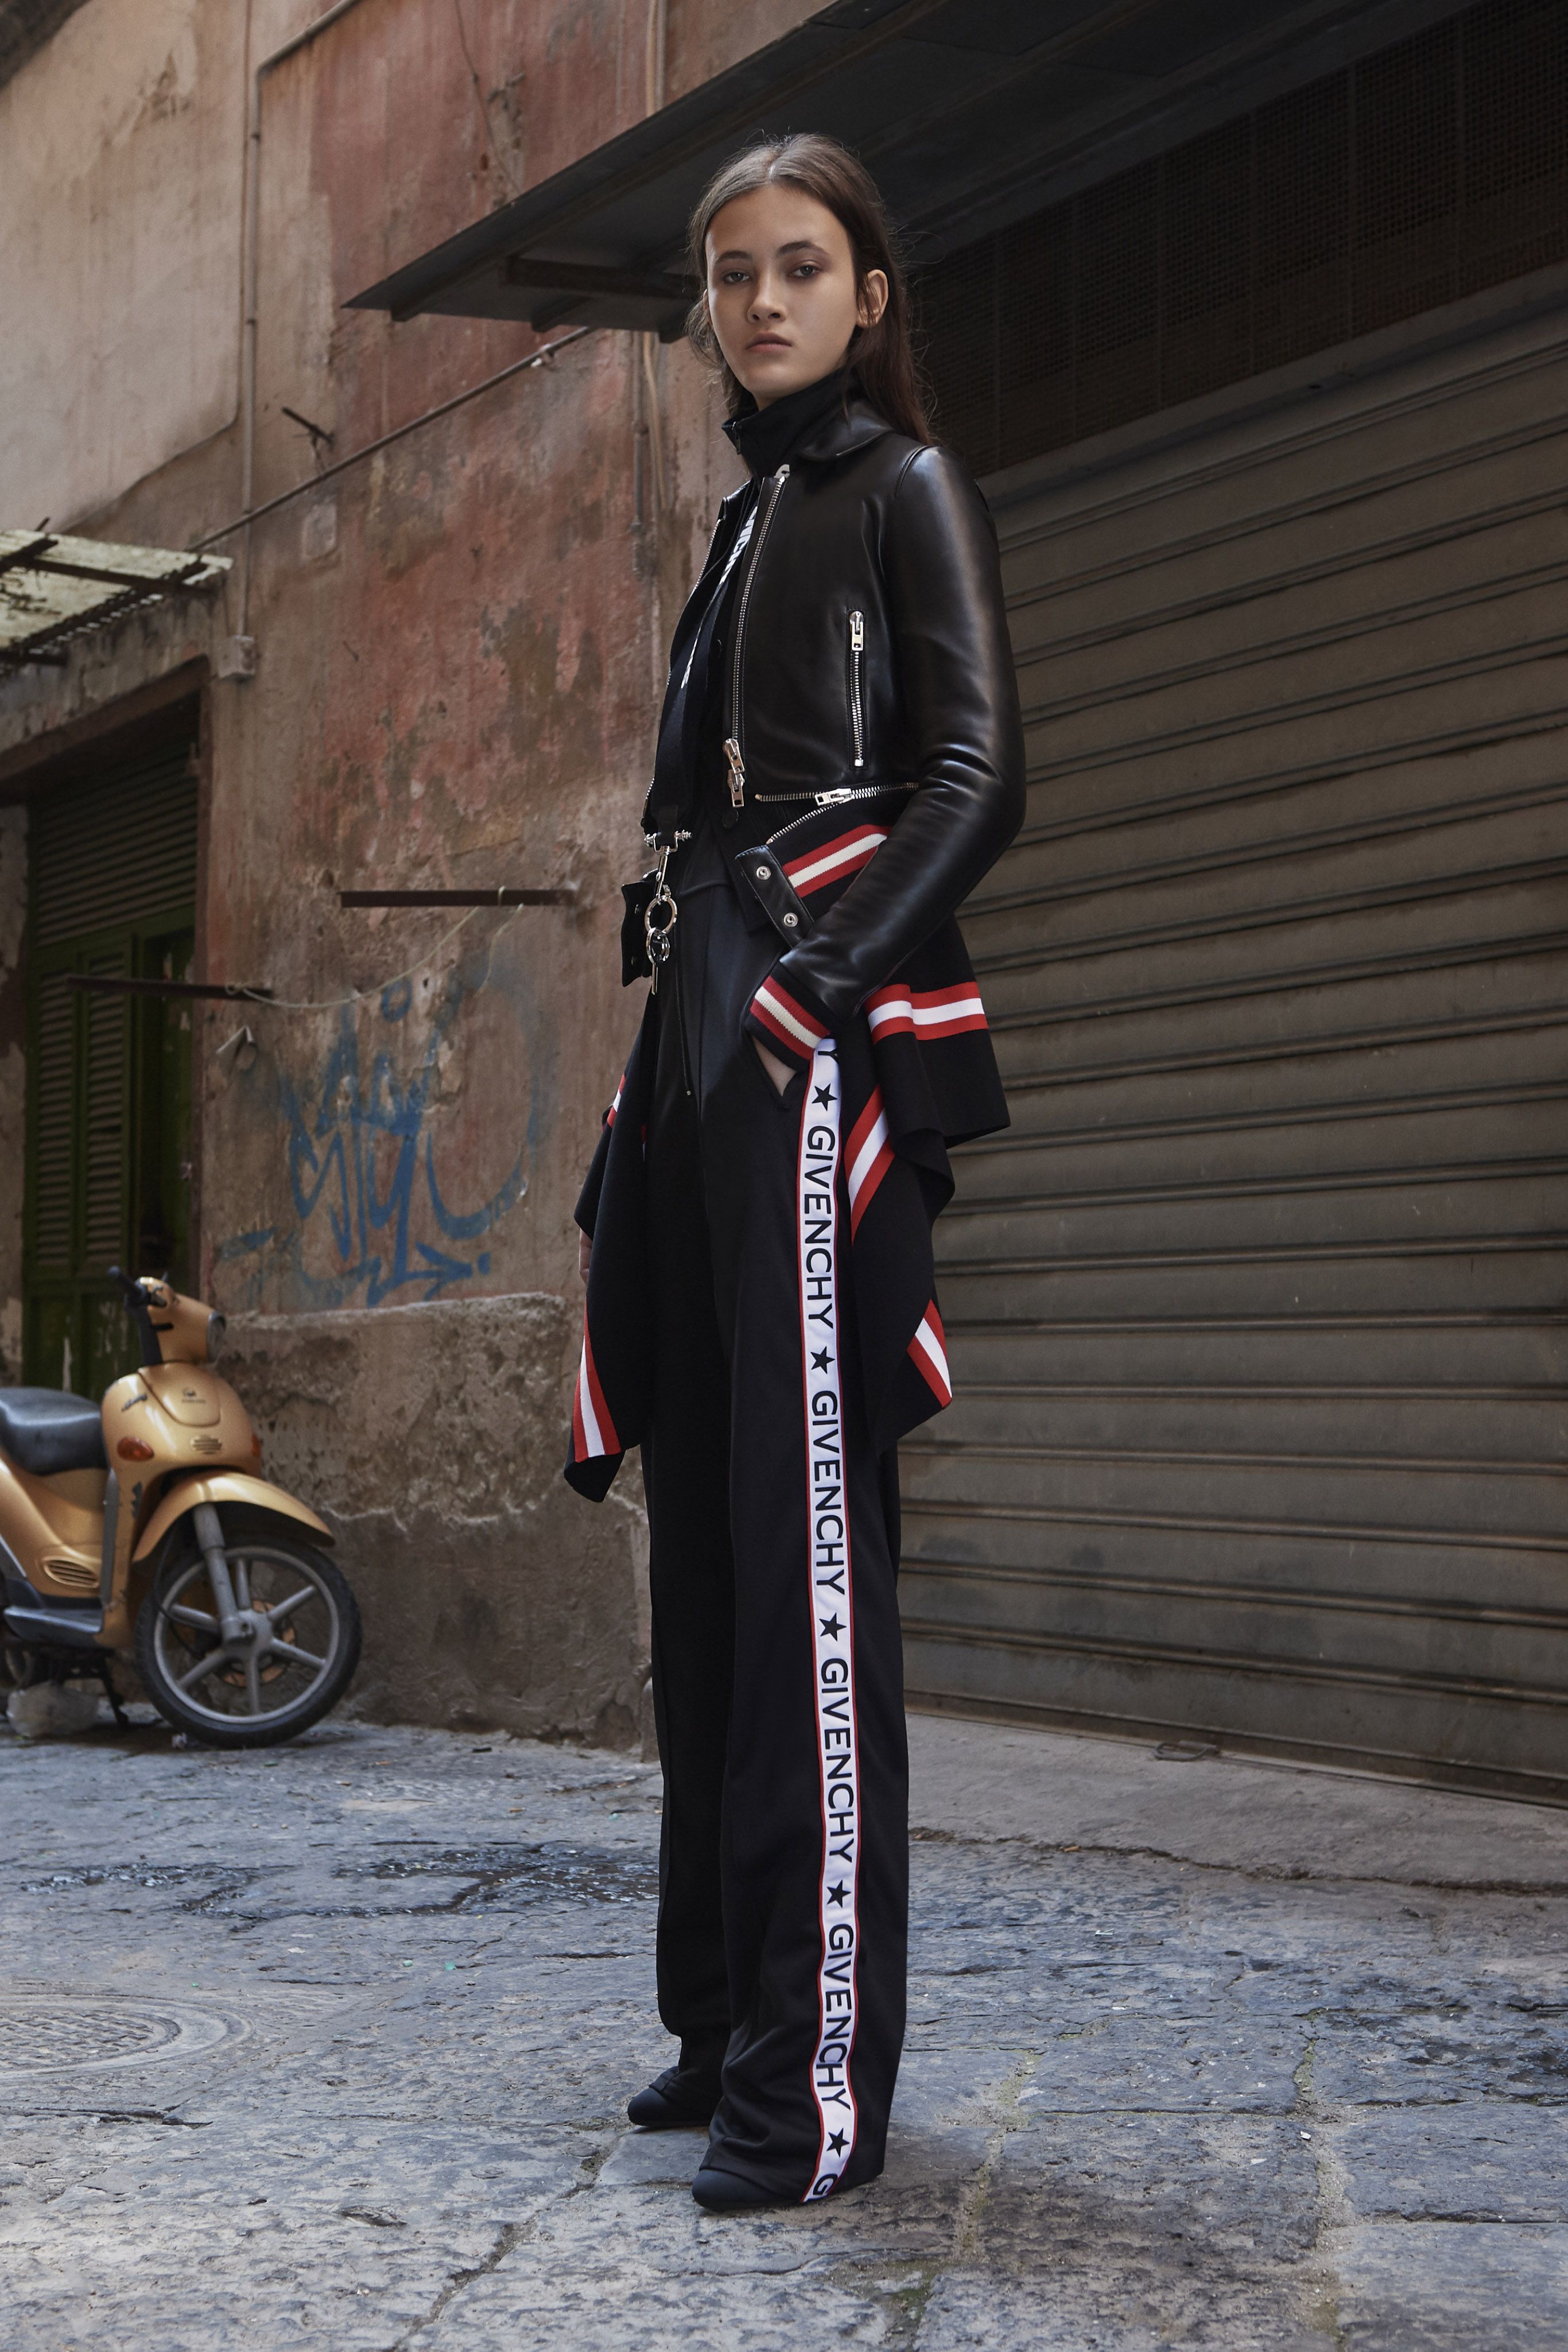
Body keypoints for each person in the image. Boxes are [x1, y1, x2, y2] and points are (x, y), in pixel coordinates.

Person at [565, 133, 1024, 2211]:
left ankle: (806, 2088)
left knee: (807, 1575)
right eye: (731, 272)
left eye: (800, 264)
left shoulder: (905, 490)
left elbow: (978, 772)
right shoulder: (746, 523)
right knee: (709, 1551)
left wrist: (820, 984)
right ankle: (716, 2017)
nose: (759, 299)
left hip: (805, 1030)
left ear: (867, 291)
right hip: (693, 1032)